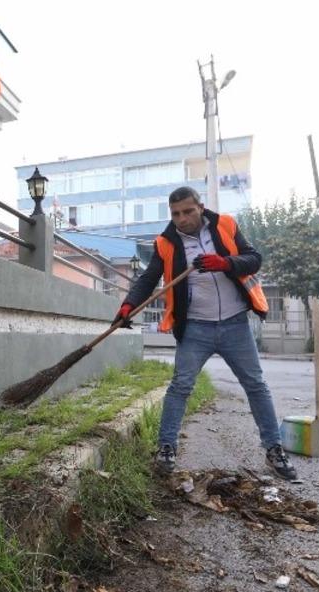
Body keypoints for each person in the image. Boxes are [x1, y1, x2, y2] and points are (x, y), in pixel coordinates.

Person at [117, 187, 297, 481]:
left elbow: (254, 259)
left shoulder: (225, 225)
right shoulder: (165, 243)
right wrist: (128, 306)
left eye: (188, 211)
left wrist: (224, 263)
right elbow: (148, 278)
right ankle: (166, 448)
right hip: (195, 328)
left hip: (235, 323)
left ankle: (274, 449)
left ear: (200, 207)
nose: (182, 218)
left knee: (255, 384)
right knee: (180, 386)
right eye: (175, 214)